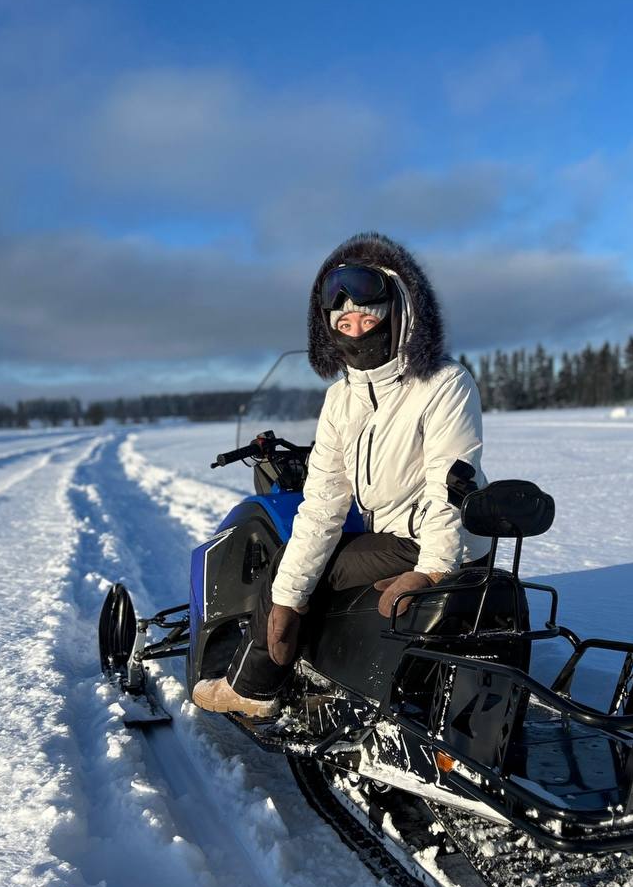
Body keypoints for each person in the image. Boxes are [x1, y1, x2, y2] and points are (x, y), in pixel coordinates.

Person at [192, 232, 489, 718]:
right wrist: (289, 598)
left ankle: (252, 687)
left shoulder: (442, 383)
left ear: (399, 316)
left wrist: (433, 569)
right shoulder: (341, 398)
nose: (356, 331)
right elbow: (325, 502)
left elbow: (451, 483)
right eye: (343, 322)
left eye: (368, 318)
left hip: (435, 541)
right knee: (299, 565)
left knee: (292, 568)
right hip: (392, 534)